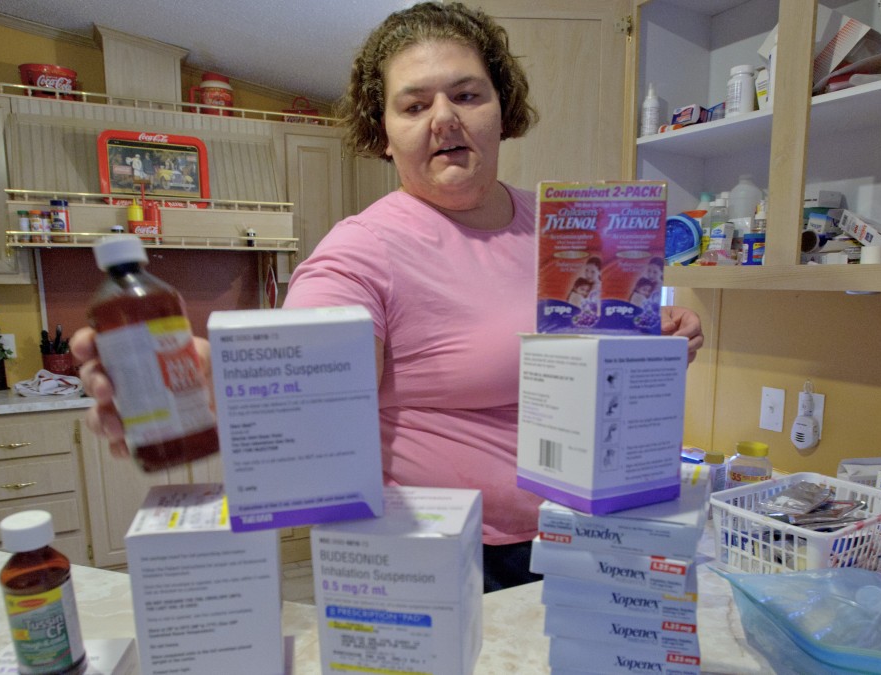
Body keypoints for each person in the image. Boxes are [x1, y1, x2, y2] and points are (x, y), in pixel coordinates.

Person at [73, 1, 703, 592]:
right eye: (413, 105)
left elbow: (590, 349)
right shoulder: (361, 250)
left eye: (466, 94)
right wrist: (237, 386)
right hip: (450, 558)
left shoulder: (563, 227)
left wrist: (655, 339)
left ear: (501, 109)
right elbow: (318, 371)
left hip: (591, 529)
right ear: (383, 134)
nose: (444, 118)